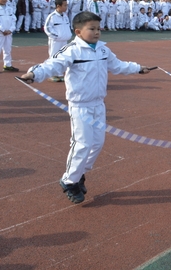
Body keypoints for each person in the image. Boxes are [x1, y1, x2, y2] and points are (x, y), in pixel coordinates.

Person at [20, 12, 152, 204]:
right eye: (92, 29)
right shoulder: (72, 50)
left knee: (97, 144)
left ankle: (79, 172)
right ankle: (69, 181)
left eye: (98, 28)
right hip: (80, 106)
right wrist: (34, 74)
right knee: (82, 144)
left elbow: (118, 66)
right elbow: (52, 65)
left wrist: (138, 68)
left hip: (99, 104)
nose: (97, 32)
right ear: (78, 32)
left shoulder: (103, 50)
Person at [44, 0, 72, 82]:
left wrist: (68, 35)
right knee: (53, 57)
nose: (66, 7)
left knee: (63, 58)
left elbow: (67, 27)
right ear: (58, 6)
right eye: (64, 5)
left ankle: (59, 74)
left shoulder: (65, 16)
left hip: (64, 40)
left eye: (66, 5)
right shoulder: (52, 16)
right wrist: (57, 36)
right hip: (56, 41)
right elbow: (47, 28)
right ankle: (52, 74)